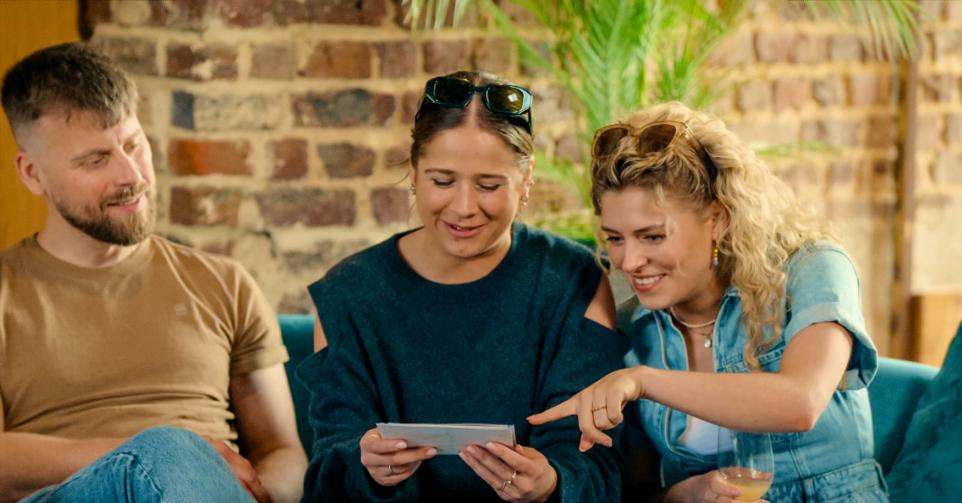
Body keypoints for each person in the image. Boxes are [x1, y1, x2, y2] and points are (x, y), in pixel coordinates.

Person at [297, 70, 628, 502]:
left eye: (489, 185)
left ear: (526, 179)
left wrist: (552, 483)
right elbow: (327, 474)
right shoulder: (347, 294)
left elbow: (598, 461)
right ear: (413, 171)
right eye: (442, 181)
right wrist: (369, 469)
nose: (464, 207)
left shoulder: (574, 281)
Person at [529, 102, 886, 502]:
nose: (629, 262)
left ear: (718, 219)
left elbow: (801, 402)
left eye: (652, 236)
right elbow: (638, 489)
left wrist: (644, 381)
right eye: (615, 238)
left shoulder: (812, 269)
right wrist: (686, 492)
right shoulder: (634, 327)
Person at [0, 43, 306, 502]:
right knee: (169, 448)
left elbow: (282, 452)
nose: (130, 175)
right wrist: (156, 454)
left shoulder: (224, 283)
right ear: (32, 173)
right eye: (95, 160)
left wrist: (259, 490)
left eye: (132, 144)